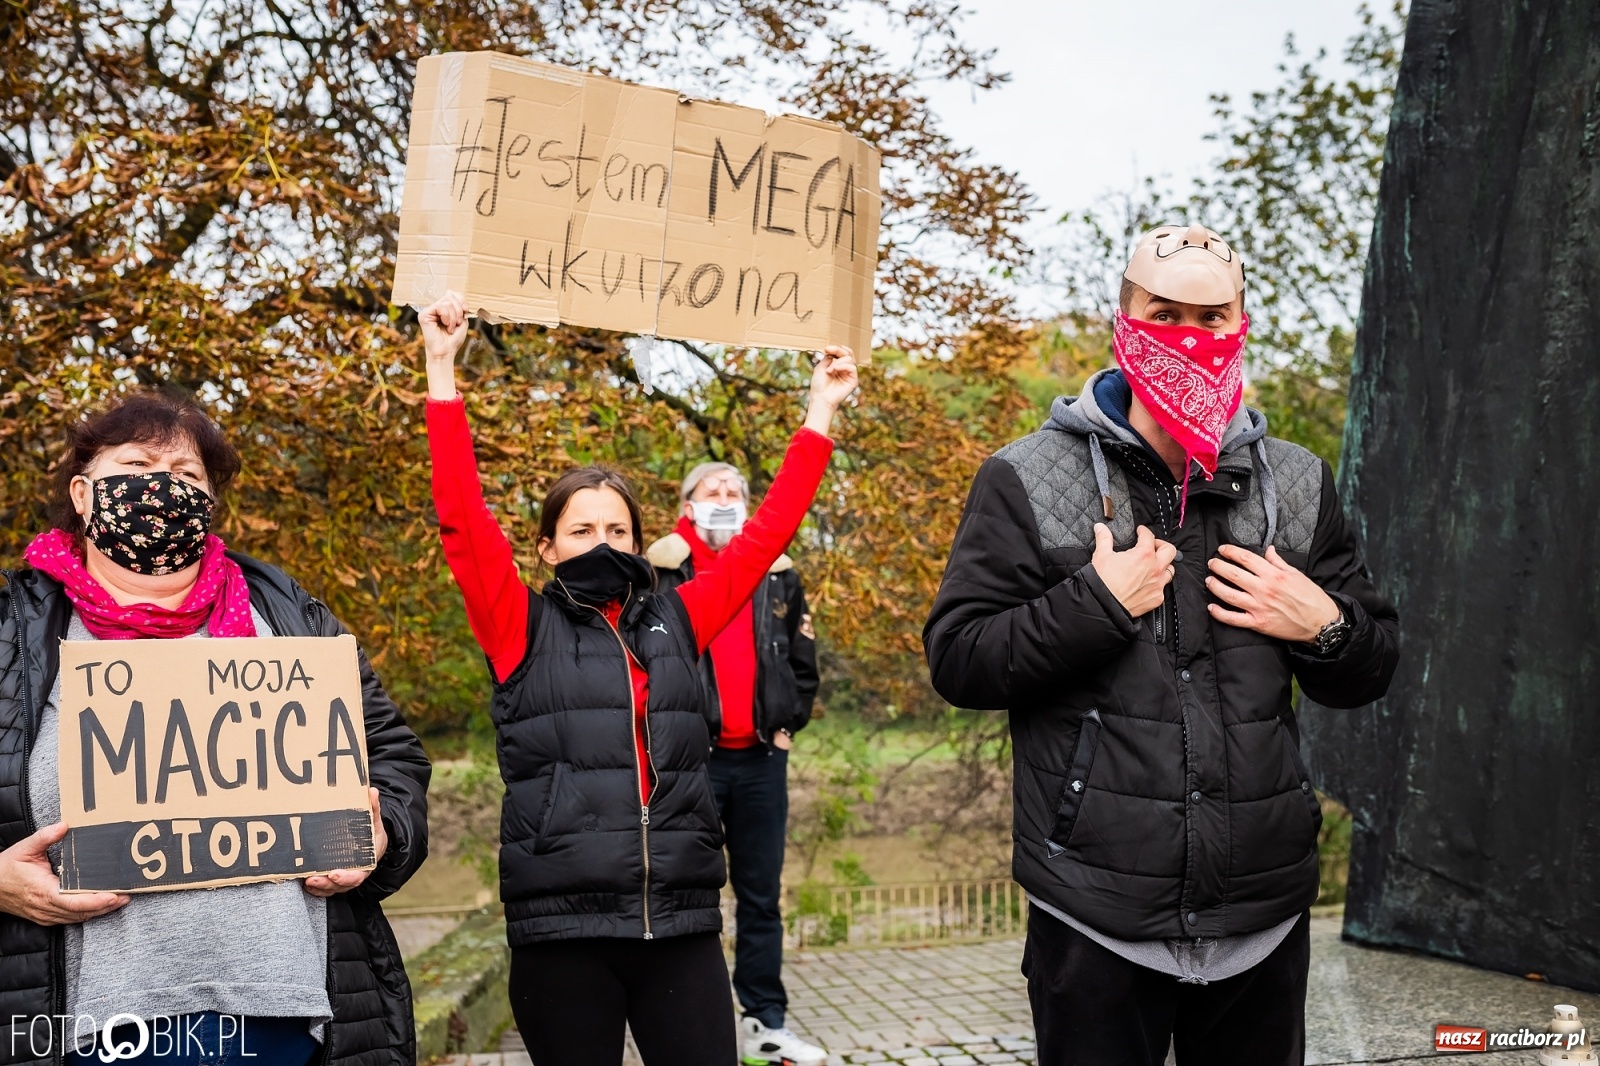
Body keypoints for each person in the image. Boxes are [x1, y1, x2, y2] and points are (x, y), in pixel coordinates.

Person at [923, 224, 1399, 1066]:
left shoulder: (1296, 481)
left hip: (1262, 909)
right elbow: (959, 659)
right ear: (1122, 320)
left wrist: (1323, 624)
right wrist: (1095, 605)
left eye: (1212, 317)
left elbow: (1371, 667)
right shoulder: (1025, 475)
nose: (1190, 336)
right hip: (1095, 909)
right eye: (1164, 312)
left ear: (1242, 321)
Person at [417, 290, 857, 1066]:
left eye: (617, 529)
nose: (602, 542)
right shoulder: (519, 626)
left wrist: (820, 407)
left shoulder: (679, 617)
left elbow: (765, 537)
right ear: (547, 549)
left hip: (679, 925)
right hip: (564, 931)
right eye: (581, 530)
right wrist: (442, 369)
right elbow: (461, 519)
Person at [0, 391, 431, 1066]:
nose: (160, 487)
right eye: (138, 463)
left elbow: (393, 759)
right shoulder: (10, 630)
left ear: (209, 503)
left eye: (186, 476)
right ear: (83, 494)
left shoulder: (288, 615)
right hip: (85, 1025)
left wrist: (381, 832)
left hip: (284, 1015)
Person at [646, 464, 824, 1066]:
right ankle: (683, 1021)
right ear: (687, 504)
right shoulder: (660, 571)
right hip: (688, 765)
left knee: (760, 896)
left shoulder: (777, 572)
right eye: (711, 492)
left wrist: (787, 723)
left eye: (734, 493)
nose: (723, 500)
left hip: (760, 764)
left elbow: (803, 658)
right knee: (682, 892)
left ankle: (764, 1024)